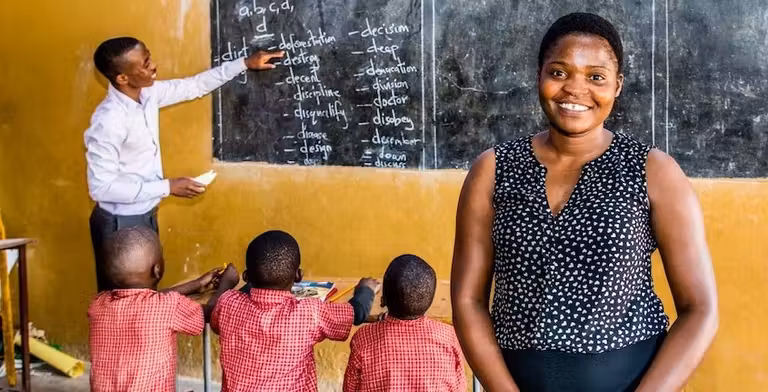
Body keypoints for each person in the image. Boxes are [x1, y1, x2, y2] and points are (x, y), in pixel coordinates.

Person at [450, 12, 718, 392]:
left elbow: (701, 309)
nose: (575, 90)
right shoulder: (493, 169)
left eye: (596, 76)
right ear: (539, 74)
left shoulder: (653, 171)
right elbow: (467, 300)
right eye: (559, 72)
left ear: (617, 85)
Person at [85, 36, 283, 291]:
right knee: (120, 306)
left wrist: (244, 63)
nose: (153, 66)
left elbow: (195, 85)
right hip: (118, 222)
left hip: (144, 213)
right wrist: (167, 187)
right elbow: (101, 187)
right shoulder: (108, 121)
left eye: (149, 57)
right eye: (145, 64)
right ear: (122, 78)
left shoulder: (147, 95)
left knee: (144, 297)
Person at [211, 230, 379, 391]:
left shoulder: (228, 303)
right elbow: (356, 314)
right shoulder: (308, 313)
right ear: (298, 276)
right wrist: (366, 290)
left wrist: (227, 284)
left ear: (246, 277)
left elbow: (216, 321)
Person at [88, 226, 240, 392]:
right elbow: (211, 312)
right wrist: (226, 284)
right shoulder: (168, 306)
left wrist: (197, 284)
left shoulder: (97, 304)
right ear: (157, 269)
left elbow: (142, 298)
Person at [343, 254, 466, 392]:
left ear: (383, 300)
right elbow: (459, 388)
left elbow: (350, 388)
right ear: (429, 302)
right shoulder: (449, 338)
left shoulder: (363, 339)